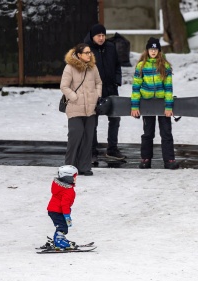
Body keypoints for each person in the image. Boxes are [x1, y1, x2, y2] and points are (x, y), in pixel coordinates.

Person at [131, 37, 179, 170]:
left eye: (156, 49)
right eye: (151, 49)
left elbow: (168, 87)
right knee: (148, 133)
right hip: (147, 104)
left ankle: (169, 159)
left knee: (166, 132)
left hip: (161, 102)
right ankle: (146, 159)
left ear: (159, 50)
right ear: (147, 50)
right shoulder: (141, 66)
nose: (153, 51)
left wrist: (169, 106)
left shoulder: (164, 66)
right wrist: (135, 106)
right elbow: (136, 87)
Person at [83, 24, 124, 162]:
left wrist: (117, 81)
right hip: (93, 90)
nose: (101, 38)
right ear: (92, 36)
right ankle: (92, 151)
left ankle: (112, 149)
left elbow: (117, 65)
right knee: (92, 121)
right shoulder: (85, 50)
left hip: (111, 88)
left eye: (103, 35)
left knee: (115, 119)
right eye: (98, 35)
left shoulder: (111, 47)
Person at [60, 43, 102, 176]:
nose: (90, 54)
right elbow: (64, 86)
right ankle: (69, 167)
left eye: (90, 52)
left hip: (90, 109)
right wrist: (74, 97)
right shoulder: (70, 67)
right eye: (87, 52)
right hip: (75, 108)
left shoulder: (93, 67)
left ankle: (84, 167)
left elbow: (98, 83)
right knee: (75, 136)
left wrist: (97, 95)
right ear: (79, 55)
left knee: (88, 138)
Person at [41, 165, 78, 250]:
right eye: (74, 177)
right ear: (67, 178)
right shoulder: (68, 190)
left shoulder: (58, 186)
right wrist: (67, 217)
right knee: (62, 226)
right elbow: (64, 205)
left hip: (54, 210)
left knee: (61, 225)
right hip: (57, 211)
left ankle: (59, 238)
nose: (76, 179)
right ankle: (59, 241)